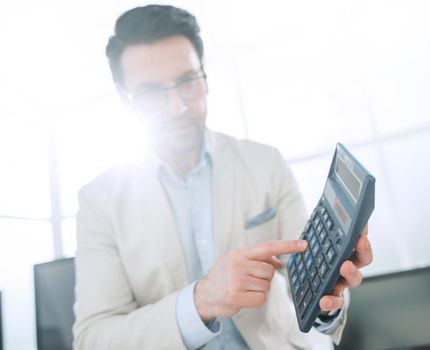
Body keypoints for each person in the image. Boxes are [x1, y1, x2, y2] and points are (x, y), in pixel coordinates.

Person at [73, 4, 373, 350]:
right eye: (152, 92)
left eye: (187, 81)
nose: (177, 107)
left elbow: (308, 286)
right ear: (126, 101)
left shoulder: (265, 162)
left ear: (205, 77)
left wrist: (327, 300)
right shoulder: (100, 201)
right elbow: (93, 339)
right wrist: (202, 300)